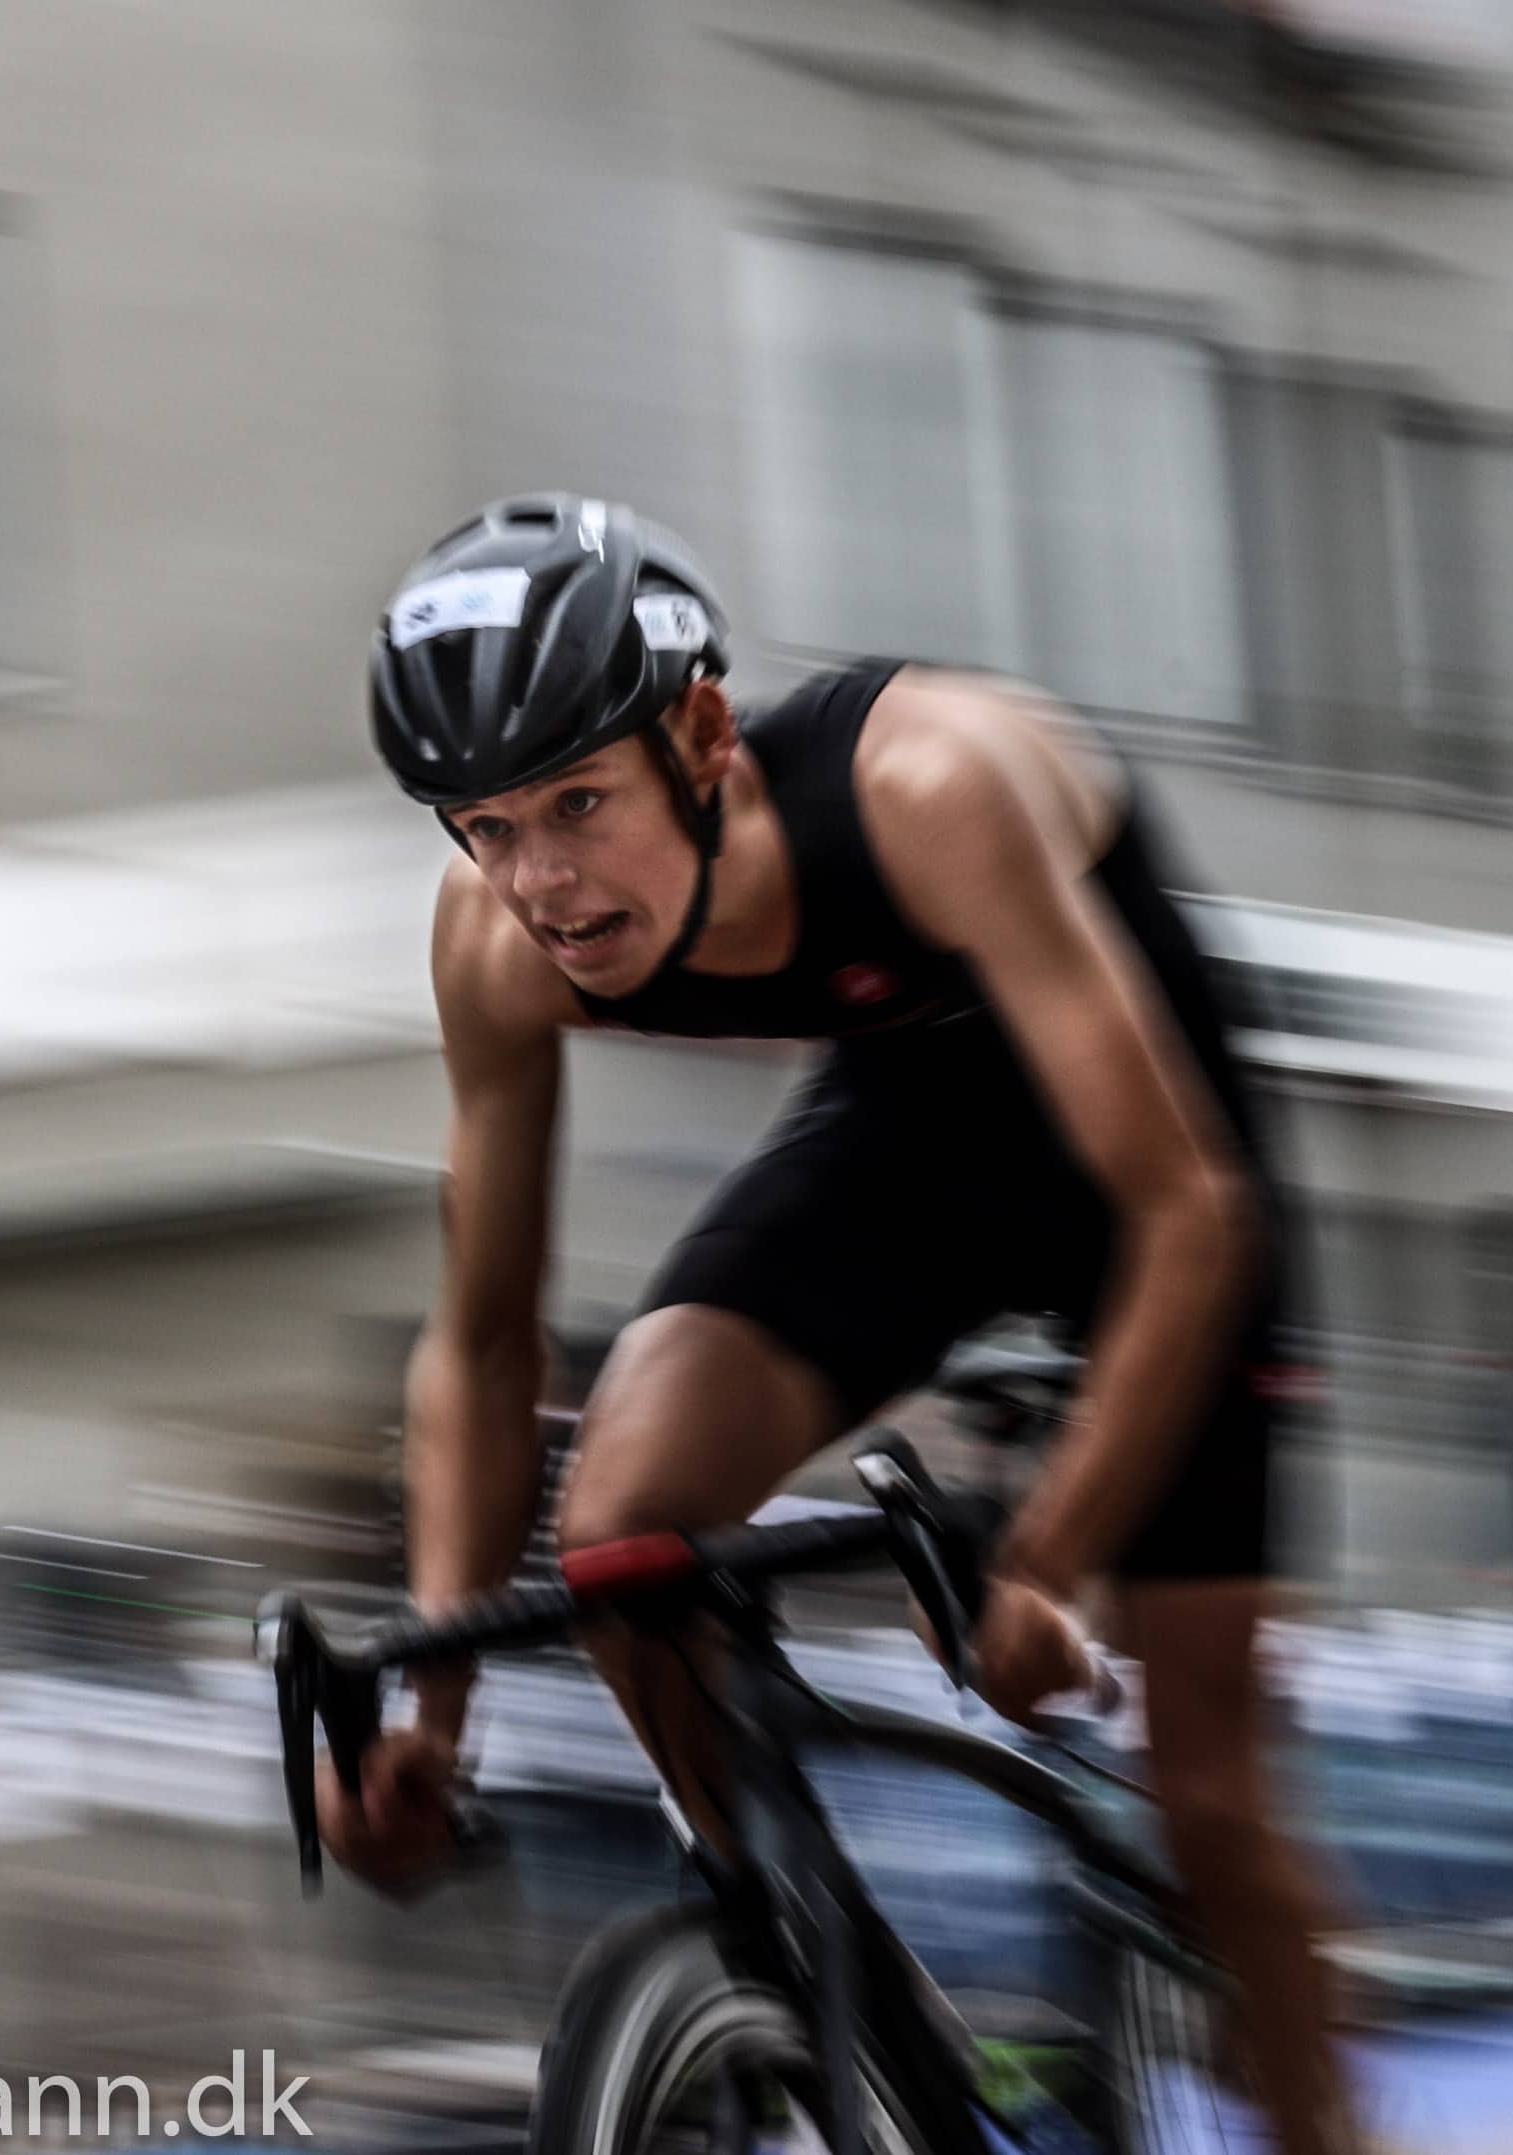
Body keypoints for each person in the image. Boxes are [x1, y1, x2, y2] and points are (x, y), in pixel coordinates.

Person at [316, 495, 1357, 2152]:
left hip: (1155, 1170)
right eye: (485, 828)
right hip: (916, 1137)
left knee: (1212, 1791)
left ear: (706, 734)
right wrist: (435, 1716)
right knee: (623, 1541)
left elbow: (1191, 1215)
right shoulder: (499, 946)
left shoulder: (925, 785)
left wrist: (1051, 1562)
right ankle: (826, 2008)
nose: (544, 884)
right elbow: (486, 1342)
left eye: (578, 803)